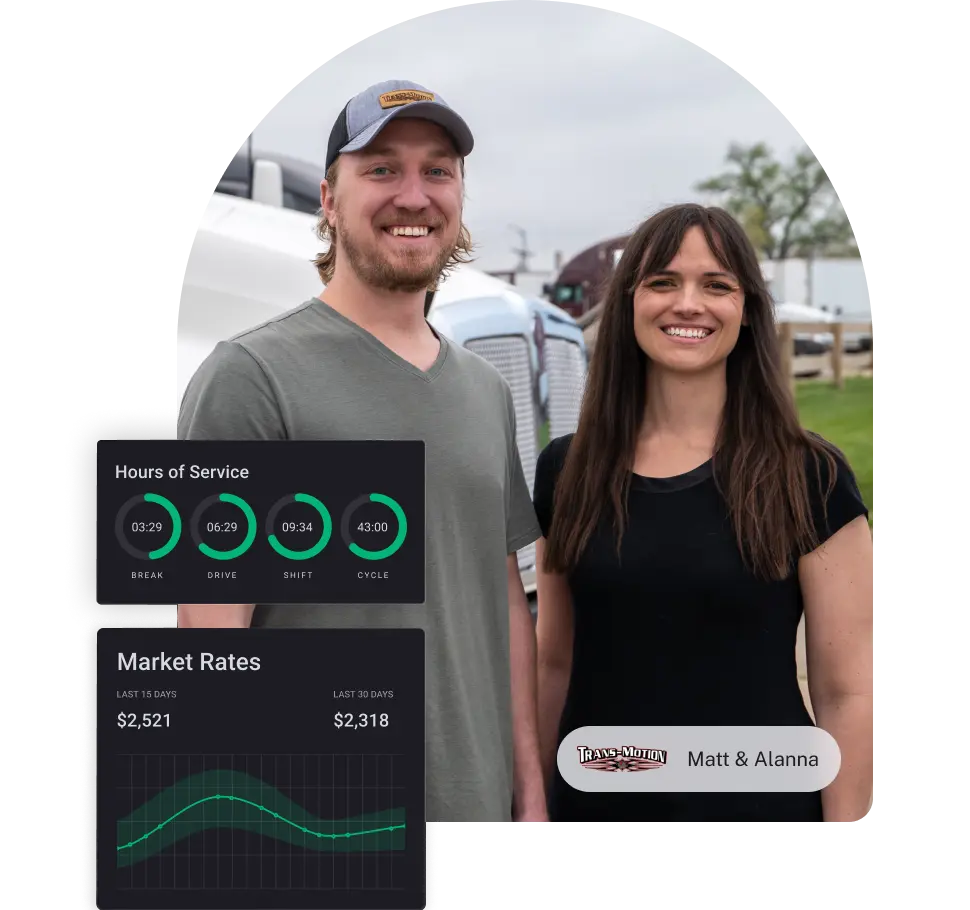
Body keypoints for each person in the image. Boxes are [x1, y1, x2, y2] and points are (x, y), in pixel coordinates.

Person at [177, 80, 548, 825]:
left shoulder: (483, 390)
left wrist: (530, 792)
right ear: (329, 198)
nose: (414, 195)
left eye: (437, 170)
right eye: (380, 169)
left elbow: (504, 605)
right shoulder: (251, 375)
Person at [534, 203, 874, 824]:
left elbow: (845, 691)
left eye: (716, 284)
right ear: (630, 303)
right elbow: (554, 660)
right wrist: (534, 806)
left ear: (745, 311)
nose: (688, 303)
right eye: (664, 281)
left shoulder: (810, 477)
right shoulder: (567, 471)